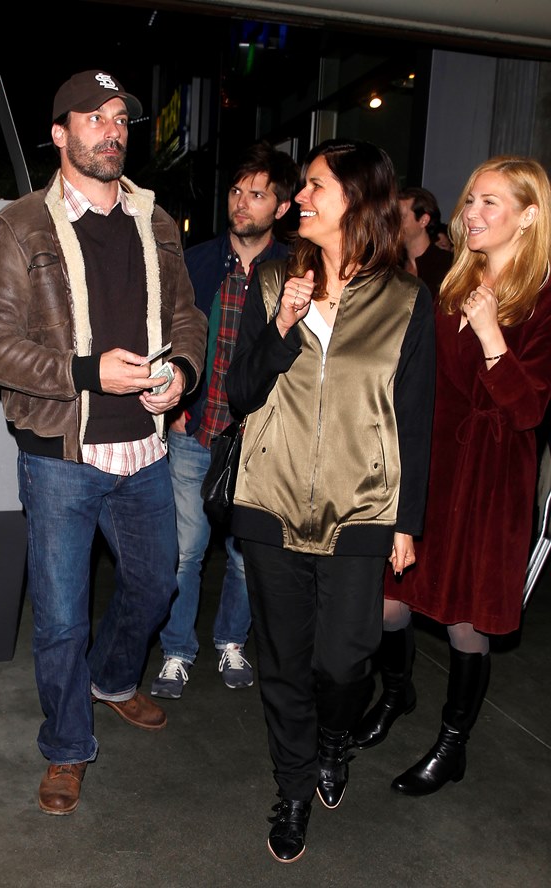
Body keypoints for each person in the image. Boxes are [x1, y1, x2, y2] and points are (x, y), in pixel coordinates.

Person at [0, 69, 207, 816]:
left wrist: (183, 372)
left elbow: (187, 316)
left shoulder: (157, 222)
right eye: (94, 118)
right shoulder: (19, 227)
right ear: (60, 133)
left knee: (157, 585)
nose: (112, 130)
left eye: (120, 119)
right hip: (61, 458)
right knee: (62, 617)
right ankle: (67, 745)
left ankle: (111, 678)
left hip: (146, 450)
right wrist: (83, 372)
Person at [225, 139, 435, 862]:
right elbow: (239, 391)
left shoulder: (406, 300)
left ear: (358, 197)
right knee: (284, 662)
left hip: (362, 506)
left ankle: (335, 736)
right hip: (269, 499)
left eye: (315, 186)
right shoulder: (271, 279)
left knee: (346, 661)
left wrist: (407, 520)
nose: (300, 199)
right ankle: (292, 786)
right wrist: (282, 326)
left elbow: (414, 416)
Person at [352, 155, 551, 796]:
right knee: (389, 597)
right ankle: (396, 693)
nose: (472, 212)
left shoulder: (543, 299)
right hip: (432, 462)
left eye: (490, 202)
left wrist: (492, 335)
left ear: (530, 216)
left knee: (467, 620)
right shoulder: (451, 279)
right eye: (470, 199)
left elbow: (528, 411)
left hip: (492, 479)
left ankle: (452, 743)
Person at [151, 141, 299, 699]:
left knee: (243, 557)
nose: (241, 202)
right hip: (195, 431)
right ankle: (176, 649)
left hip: (259, 441)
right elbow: (167, 337)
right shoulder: (196, 260)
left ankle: (231, 639)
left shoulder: (296, 271)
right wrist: (178, 409)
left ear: (281, 207)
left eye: (257, 194)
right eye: (237, 191)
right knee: (184, 551)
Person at [399, 186, 453, 299]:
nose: (394, 223)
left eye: (402, 217)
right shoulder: (392, 266)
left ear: (424, 220)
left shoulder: (448, 265)